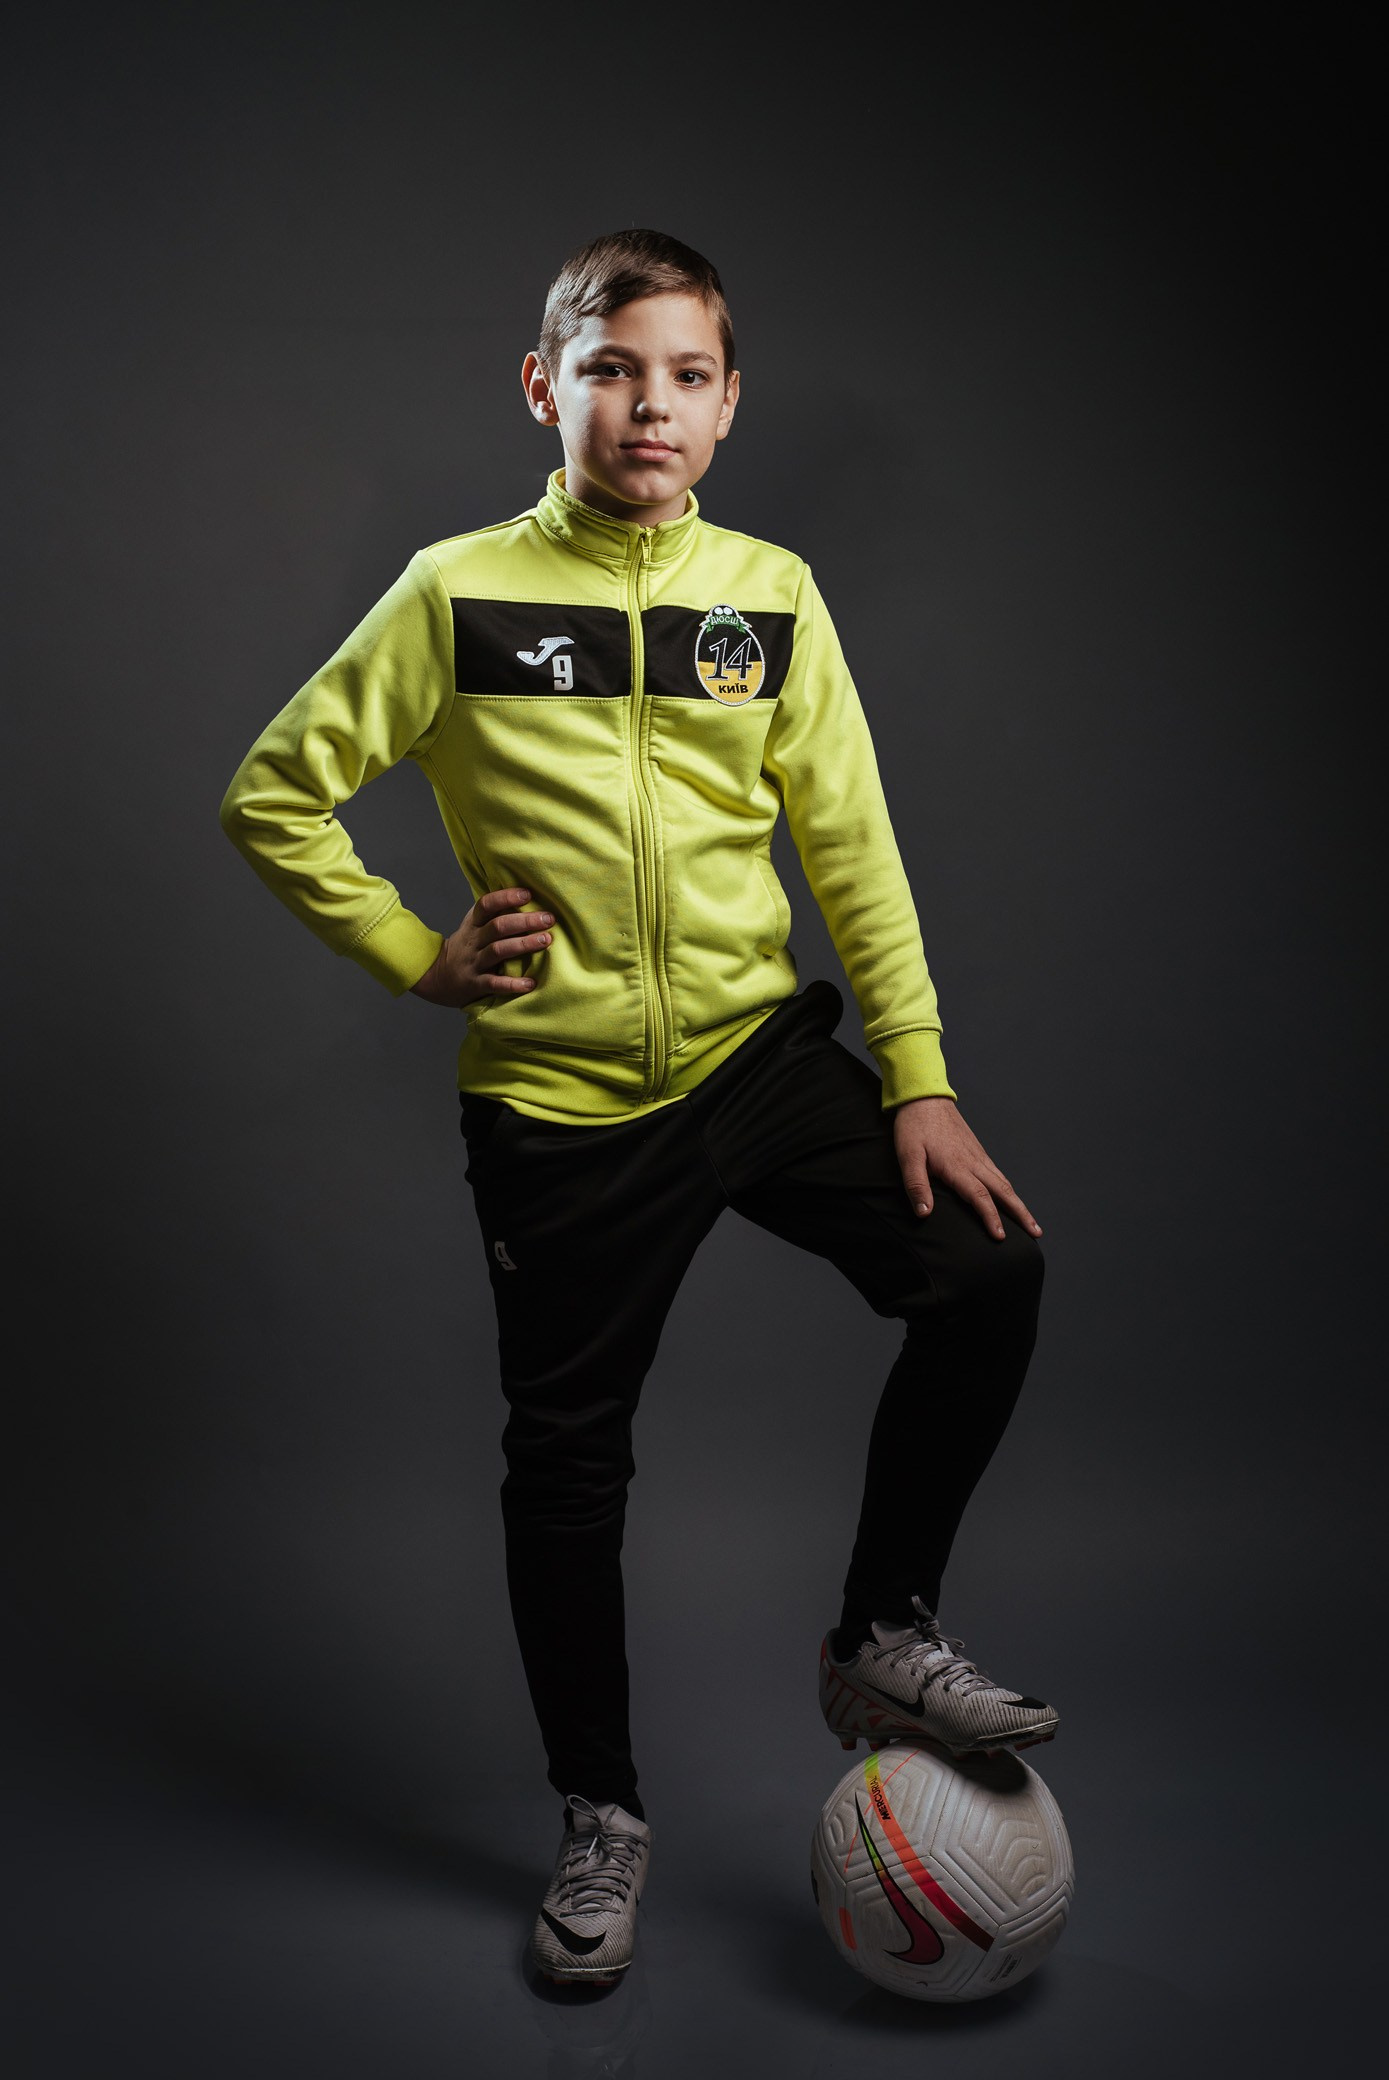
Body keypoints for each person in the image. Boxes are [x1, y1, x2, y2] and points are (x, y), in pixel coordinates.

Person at [219, 228, 1055, 1990]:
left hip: (756, 1060)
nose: (647, 405)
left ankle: (880, 1632)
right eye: (610, 370)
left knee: (984, 1275)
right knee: (567, 1465)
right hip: (561, 1100)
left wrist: (915, 1076)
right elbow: (275, 793)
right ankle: (600, 1814)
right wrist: (415, 954)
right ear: (546, 388)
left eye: (684, 375)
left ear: (729, 405)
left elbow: (850, 848)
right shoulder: (455, 591)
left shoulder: (771, 592)